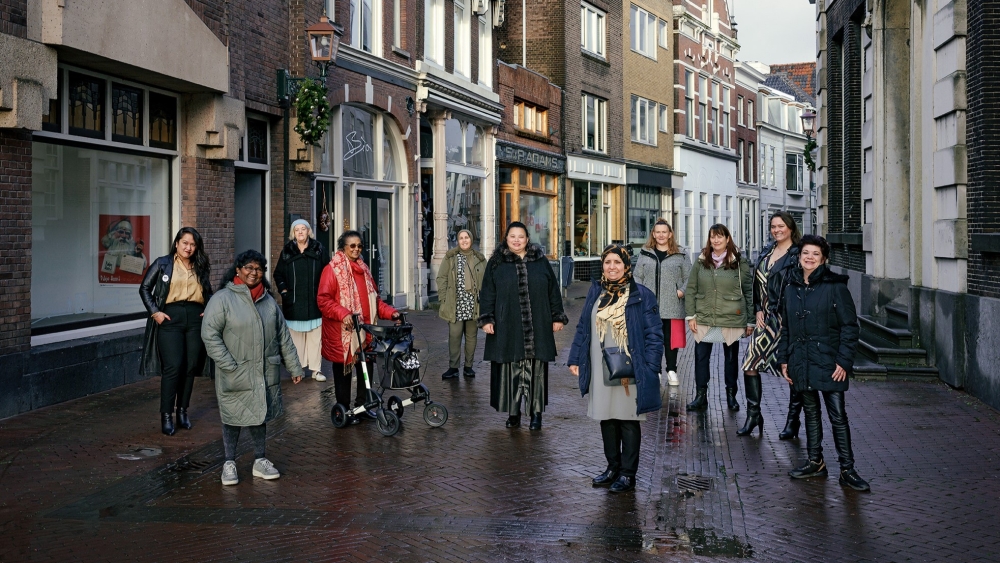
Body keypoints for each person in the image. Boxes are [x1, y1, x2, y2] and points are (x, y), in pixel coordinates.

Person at [201, 250, 304, 486]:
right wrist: (227, 364)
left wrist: (295, 367)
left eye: (258, 269)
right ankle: (229, 463)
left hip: (264, 370)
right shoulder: (222, 299)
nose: (253, 272)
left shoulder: (269, 302)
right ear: (237, 270)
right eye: (248, 267)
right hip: (234, 370)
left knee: (260, 415)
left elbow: (283, 337)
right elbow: (209, 334)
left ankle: (260, 460)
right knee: (232, 416)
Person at [568, 245, 663, 493]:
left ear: (626, 265)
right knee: (607, 416)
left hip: (630, 367)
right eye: (608, 262)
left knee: (628, 418)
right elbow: (583, 328)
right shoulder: (595, 292)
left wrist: (651, 366)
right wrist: (575, 358)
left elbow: (654, 334)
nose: (612, 267)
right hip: (600, 364)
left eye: (617, 263)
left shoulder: (641, 294)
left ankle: (628, 474)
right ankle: (612, 468)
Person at [777, 235, 869, 492]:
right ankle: (815, 462)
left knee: (837, 415)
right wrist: (784, 359)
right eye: (805, 252)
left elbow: (850, 327)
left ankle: (847, 469)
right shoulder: (791, 286)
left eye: (815, 254)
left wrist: (843, 361)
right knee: (810, 412)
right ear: (799, 256)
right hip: (800, 360)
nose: (809, 257)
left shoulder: (835, 286)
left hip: (829, 361)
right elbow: (786, 328)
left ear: (824, 259)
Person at [479, 222, 568, 431]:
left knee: (536, 369)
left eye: (521, 236)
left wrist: (557, 317)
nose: (517, 240)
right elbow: (487, 293)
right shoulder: (496, 263)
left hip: (538, 323)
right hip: (507, 324)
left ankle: (536, 414)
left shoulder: (540, 261)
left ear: (527, 239)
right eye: (512, 236)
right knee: (511, 368)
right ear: (506, 239)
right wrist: (487, 319)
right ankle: (514, 412)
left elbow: (553, 290)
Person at [317, 230, 400, 423]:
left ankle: (363, 406)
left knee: (366, 373)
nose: (356, 249)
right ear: (343, 247)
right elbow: (323, 300)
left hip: (366, 332)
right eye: (352, 246)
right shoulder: (332, 269)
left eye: (359, 246)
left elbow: (375, 301)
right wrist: (344, 313)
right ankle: (344, 410)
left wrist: (392, 312)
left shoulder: (364, 269)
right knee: (344, 375)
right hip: (344, 334)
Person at [139, 227, 213, 436]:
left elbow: (208, 291)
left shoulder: (201, 265)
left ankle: (182, 412)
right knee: (173, 367)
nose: (188, 248)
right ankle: (166, 416)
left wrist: (208, 309)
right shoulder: (163, 263)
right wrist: (156, 312)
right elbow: (144, 288)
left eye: (192, 244)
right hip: (170, 317)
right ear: (177, 243)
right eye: (185, 243)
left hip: (195, 318)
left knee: (190, 367)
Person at [737, 212, 803, 437]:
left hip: (786, 320)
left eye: (781, 226)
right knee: (749, 364)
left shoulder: (797, 254)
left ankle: (792, 421)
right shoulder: (767, 251)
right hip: (765, 320)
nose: (776, 230)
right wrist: (757, 309)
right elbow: (758, 285)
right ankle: (754, 416)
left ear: (791, 228)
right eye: (773, 227)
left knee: (791, 371)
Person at [684, 224, 753, 412]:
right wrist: (691, 315)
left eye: (720, 237)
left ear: (728, 239)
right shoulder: (700, 261)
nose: (716, 240)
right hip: (705, 317)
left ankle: (731, 396)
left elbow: (748, 291)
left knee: (731, 359)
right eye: (713, 237)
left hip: (731, 317)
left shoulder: (739, 262)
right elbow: (691, 289)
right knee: (701, 358)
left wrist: (750, 320)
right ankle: (701, 396)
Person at [633, 219, 691, 387]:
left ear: (670, 234)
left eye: (664, 232)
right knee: (652, 339)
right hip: (650, 305)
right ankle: (655, 371)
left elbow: (689, 278)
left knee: (670, 339)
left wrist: (681, 291)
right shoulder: (645, 253)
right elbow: (637, 276)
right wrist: (641, 293)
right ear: (653, 234)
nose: (660, 235)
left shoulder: (681, 254)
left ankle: (671, 370)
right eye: (657, 232)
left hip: (673, 303)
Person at [273, 219, 331, 382]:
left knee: (315, 338)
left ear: (308, 232)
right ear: (293, 233)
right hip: (294, 301)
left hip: (314, 300)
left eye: (303, 229)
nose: (300, 232)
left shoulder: (318, 249)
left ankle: (316, 369)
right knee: (295, 338)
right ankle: (297, 369)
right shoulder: (287, 251)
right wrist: (284, 291)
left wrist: (324, 292)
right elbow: (278, 273)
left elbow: (328, 272)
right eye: (297, 229)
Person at [436, 229, 487, 379]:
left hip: (473, 304)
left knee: (471, 336)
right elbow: (441, 278)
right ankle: (453, 367)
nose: (464, 240)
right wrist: (443, 299)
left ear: (471, 239)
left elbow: (486, 282)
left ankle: (468, 367)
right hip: (455, 303)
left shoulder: (480, 258)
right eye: (461, 238)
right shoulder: (450, 257)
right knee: (455, 335)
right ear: (458, 240)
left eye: (467, 237)